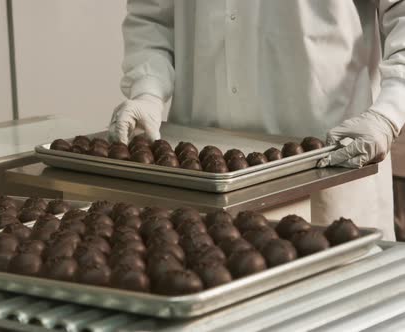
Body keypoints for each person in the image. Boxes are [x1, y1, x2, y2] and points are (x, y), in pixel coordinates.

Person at [108, 1, 405, 240]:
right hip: (202, 174)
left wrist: (388, 113)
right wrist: (148, 89)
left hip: (329, 170)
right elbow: (152, 16)